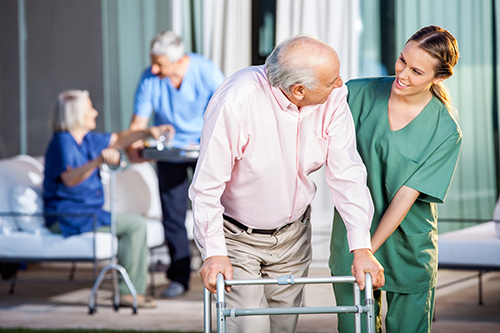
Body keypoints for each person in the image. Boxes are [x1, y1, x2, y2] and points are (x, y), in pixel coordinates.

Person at [189, 35, 385, 333]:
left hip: (293, 236)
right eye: (332, 79)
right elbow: (207, 186)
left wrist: (361, 248)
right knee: (250, 328)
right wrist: (215, 252)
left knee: (284, 327)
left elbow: (348, 175)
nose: (340, 83)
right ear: (298, 90)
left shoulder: (333, 98)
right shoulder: (236, 101)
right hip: (238, 238)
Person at [329, 25, 462, 333]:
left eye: (417, 71)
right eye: (402, 60)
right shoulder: (357, 94)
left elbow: (406, 196)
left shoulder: (445, 131)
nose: (402, 74)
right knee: (354, 328)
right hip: (351, 240)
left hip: (407, 247)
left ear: (438, 78)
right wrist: (358, 249)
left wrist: (367, 250)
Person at [43, 89, 174, 308]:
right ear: (76, 114)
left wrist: (147, 132)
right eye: (90, 109)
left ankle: (130, 289)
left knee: (134, 223)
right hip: (68, 216)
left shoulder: (87, 139)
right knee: (134, 224)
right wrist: (96, 162)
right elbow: (69, 179)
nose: (95, 113)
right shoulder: (62, 143)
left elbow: (120, 138)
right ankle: (127, 293)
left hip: (90, 213)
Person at [125, 31, 225, 298]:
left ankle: (227, 272)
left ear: (180, 60)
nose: (154, 68)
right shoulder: (150, 78)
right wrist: (133, 146)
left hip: (207, 149)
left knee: (222, 208)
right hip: (171, 153)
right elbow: (138, 125)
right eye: (152, 62)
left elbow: (228, 113)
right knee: (173, 215)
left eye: (159, 63)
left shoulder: (205, 71)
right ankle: (179, 277)